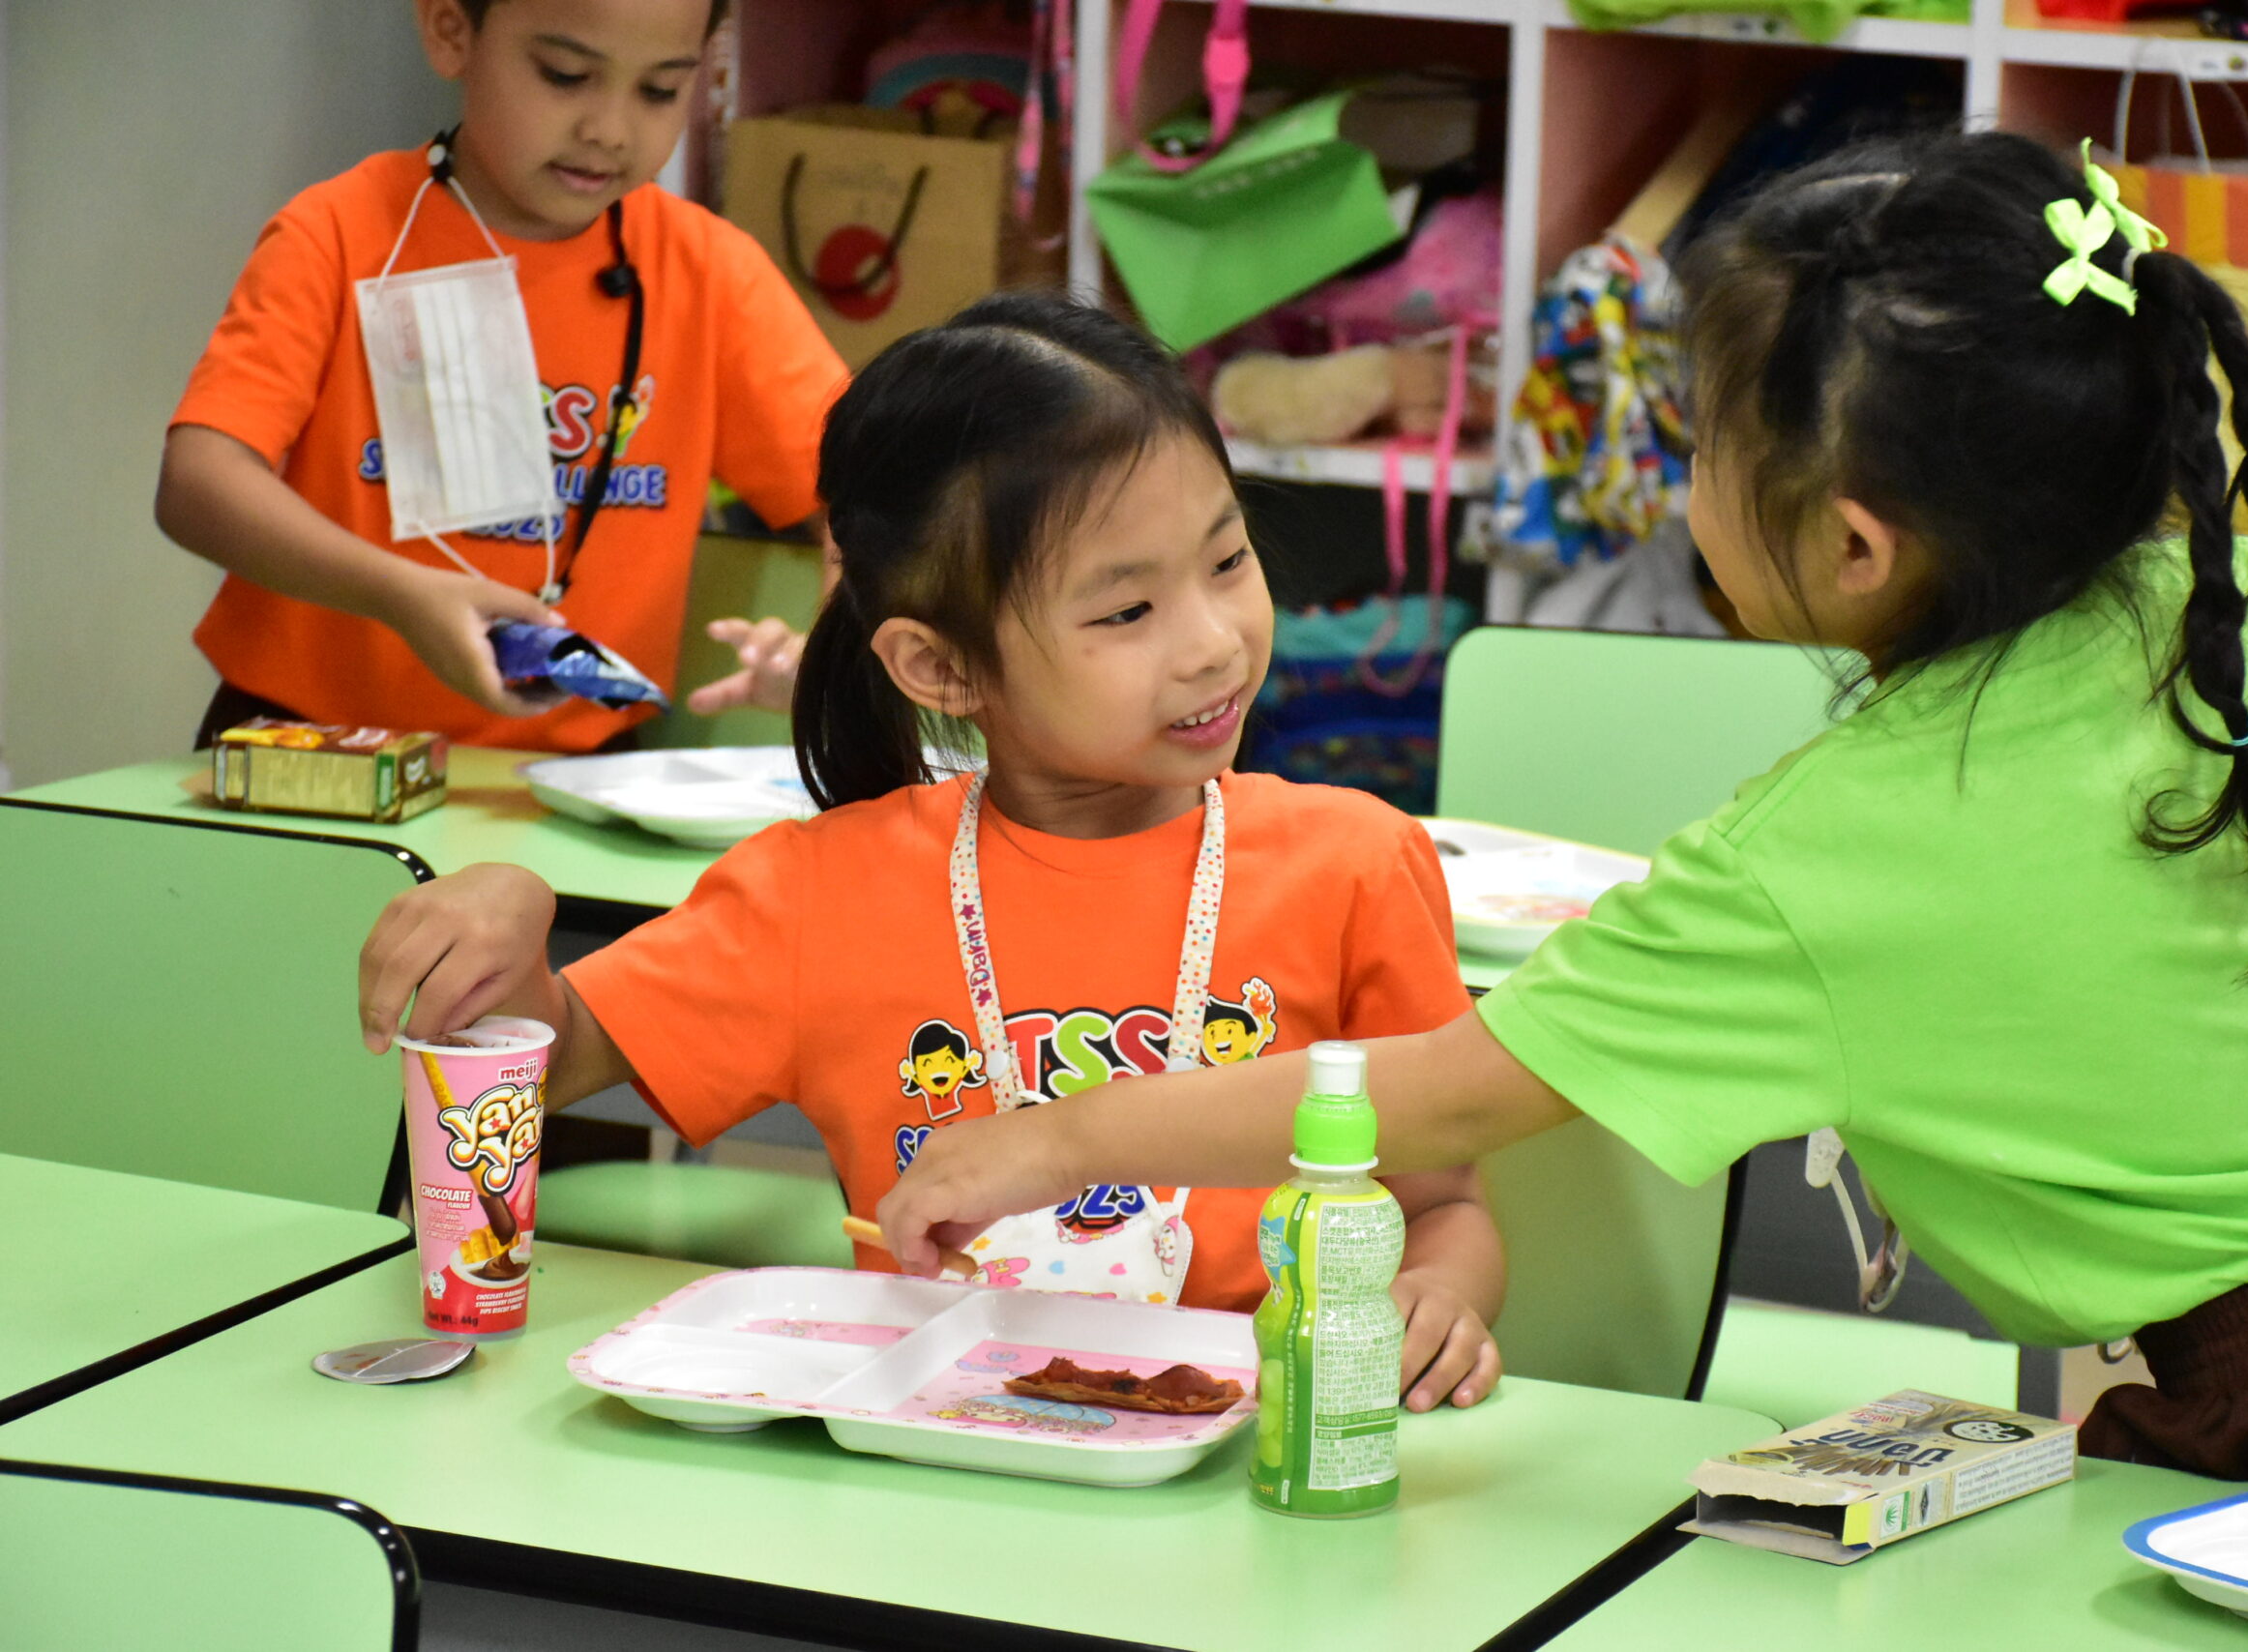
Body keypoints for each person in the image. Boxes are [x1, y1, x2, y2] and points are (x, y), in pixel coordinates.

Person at [879, 132, 2248, 1478]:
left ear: (1854, 545)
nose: (1682, 478)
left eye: (1698, 443)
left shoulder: (1817, 857)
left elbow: (1439, 1098)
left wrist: (1057, 1135)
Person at [357, 292, 1507, 1411]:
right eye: (1125, 612)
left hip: (1257, 1452)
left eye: (1226, 562)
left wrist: (1439, 1296)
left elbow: (1442, 1202)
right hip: (926, 1457)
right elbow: (527, 1078)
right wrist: (507, 915)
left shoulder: (1354, 864)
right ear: (941, 667)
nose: (1213, 644)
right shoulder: (821, 892)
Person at [157, 0, 846, 752]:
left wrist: (835, 654)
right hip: (303, 749)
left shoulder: (709, 273)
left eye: (659, 90)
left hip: (574, 777)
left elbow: (876, 494)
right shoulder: (340, 233)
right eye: (566, 75)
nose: (610, 130)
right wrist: (401, 594)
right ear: (451, 32)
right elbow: (198, 484)